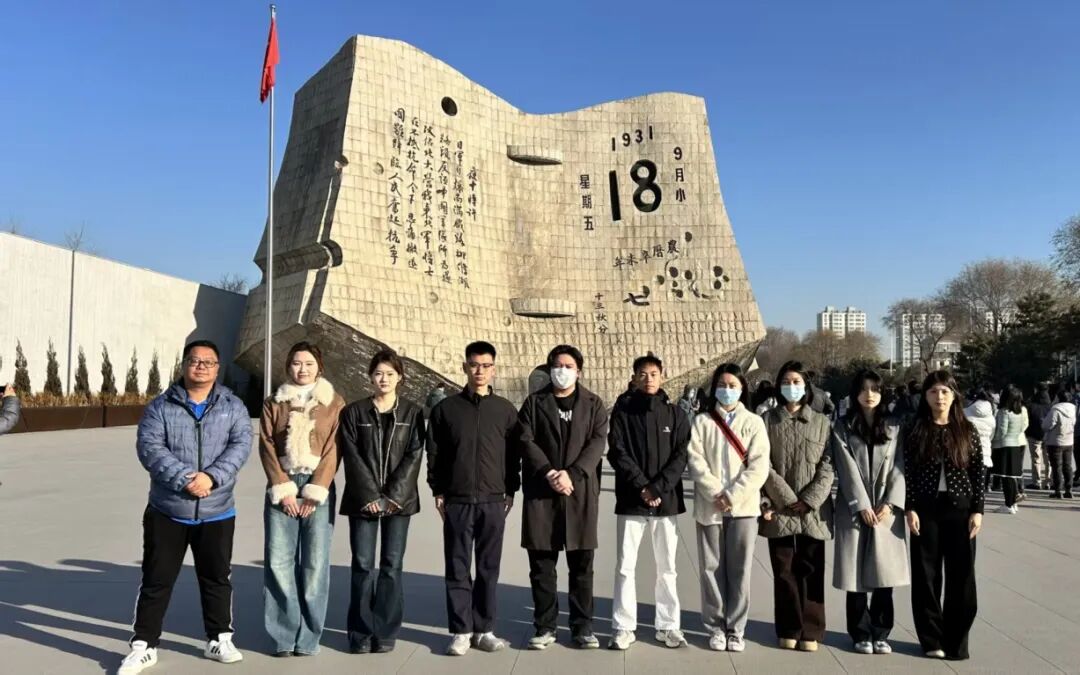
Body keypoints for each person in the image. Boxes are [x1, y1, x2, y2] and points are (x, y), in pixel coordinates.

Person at [120, 340, 253, 675]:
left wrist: (212, 477)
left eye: (208, 362)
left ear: (217, 368)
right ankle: (144, 645)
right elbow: (150, 447)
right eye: (195, 360)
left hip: (217, 509)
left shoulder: (233, 406)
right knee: (157, 578)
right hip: (168, 509)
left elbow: (240, 445)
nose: (201, 366)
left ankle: (219, 638)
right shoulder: (161, 406)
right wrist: (185, 479)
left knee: (216, 578)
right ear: (184, 365)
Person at [425, 341, 520, 656]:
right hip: (458, 499)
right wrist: (438, 490)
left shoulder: (505, 410)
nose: (480, 371)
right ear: (464, 367)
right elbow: (434, 453)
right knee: (457, 565)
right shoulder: (446, 410)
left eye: (486, 365)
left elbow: (513, 456)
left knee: (489, 567)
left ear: (494, 369)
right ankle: (461, 631)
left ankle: (484, 629)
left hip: (493, 500)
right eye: (474, 365)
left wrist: (511, 489)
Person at [518, 345, 609, 650]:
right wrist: (549, 472)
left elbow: (597, 444)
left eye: (569, 366)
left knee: (582, 566)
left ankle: (583, 627)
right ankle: (545, 626)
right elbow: (525, 440)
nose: (563, 371)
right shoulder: (534, 403)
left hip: (579, 492)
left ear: (578, 371)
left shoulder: (594, 404)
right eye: (558, 365)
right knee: (542, 566)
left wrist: (572, 474)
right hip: (542, 493)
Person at [260, 342, 346, 657]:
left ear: (319, 366)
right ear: (288, 366)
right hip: (282, 484)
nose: (302, 369)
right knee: (279, 562)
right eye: (297, 363)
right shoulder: (275, 401)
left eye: (309, 363)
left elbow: (334, 449)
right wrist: (283, 488)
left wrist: (316, 490)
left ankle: (309, 638)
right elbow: (266, 444)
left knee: (314, 564)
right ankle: (283, 636)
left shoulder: (334, 402)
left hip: (317, 485)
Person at [338, 349, 426, 653]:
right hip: (363, 501)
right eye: (378, 373)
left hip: (399, 502)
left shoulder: (413, 413)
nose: (384, 379)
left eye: (390, 373)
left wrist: (392, 496)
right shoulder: (354, 412)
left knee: (391, 565)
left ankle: (385, 631)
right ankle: (360, 633)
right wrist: (371, 496)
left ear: (400, 377)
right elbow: (351, 456)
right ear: (370, 377)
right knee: (362, 565)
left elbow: (414, 455)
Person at [607, 355, 691, 651]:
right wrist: (642, 486)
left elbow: (681, 454)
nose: (648, 379)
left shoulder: (676, 414)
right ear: (634, 377)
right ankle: (623, 626)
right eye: (642, 374)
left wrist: (658, 487)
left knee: (667, 567)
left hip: (665, 501)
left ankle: (668, 626)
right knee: (625, 566)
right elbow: (617, 451)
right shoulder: (623, 412)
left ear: (662, 376)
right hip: (632, 500)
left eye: (653, 373)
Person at [686, 363, 769, 653]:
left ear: (742, 388)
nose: (727, 390)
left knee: (740, 569)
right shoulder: (702, 421)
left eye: (733, 385)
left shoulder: (754, 422)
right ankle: (715, 626)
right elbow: (695, 461)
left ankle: (736, 628)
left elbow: (759, 466)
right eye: (722, 385)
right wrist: (715, 492)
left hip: (743, 508)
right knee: (711, 568)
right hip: (709, 506)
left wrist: (732, 495)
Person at [904, 370, 984, 661]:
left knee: (962, 576)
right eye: (933, 392)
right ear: (925, 397)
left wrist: (978, 510)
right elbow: (908, 472)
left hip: (960, 511)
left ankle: (956, 640)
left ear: (954, 396)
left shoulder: (967, 430)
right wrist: (910, 507)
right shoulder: (915, 430)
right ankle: (931, 638)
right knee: (926, 576)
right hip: (926, 510)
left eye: (945, 392)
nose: (939, 397)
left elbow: (978, 472)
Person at [831, 370, 909, 656]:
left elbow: (900, 465)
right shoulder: (842, 426)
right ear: (855, 394)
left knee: (884, 573)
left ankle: (882, 631)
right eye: (863, 389)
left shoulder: (895, 426)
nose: (869, 395)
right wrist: (861, 504)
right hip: (855, 508)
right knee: (855, 576)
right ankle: (860, 632)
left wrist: (890, 503)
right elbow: (845, 467)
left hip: (886, 509)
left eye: (875, 389)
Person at [760, 360, 834, 652]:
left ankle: (811, 630)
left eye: (796, 382)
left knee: (812, 569)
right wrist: (786, 498)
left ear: (806, 387)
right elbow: (762, 463)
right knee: (784, 570)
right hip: (780, 507)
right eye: (786, 382)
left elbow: (828, 465)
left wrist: (809, 499)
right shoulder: (767, 420)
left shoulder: (822, 422)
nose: (791, 387)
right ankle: (788, 627)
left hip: (813, 509)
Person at [991, 385, 1028, 514]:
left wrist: (993, 440)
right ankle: (1012, 503)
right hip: (1016, 444)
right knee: (1012, 476)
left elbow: (1002, 431)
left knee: (1006, 477)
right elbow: (1023, 427)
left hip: (1004, 446)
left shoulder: (1004, 412)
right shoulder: (1021, 411)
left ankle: (1008, 504)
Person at [1042, 389, 1075, 499]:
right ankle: (1069, 489)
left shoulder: (1055, 410)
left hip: (1055, 441)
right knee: (1067, 466)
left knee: (1057, 467)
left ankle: (1058, 490)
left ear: (1058, 398)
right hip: (1069, 440)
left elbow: (1047, 425)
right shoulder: (1073, 408)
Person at [963, 389, 996, 490]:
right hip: (984, 451)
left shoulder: (965, 412)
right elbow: (991, 436)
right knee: (979, 485)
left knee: (967, 484)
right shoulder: (991, 418)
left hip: (967, 450)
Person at [1025, 385, 1052, 490]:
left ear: (1036, 390)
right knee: (1048, 459)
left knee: (1036, 459)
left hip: (1034, 435)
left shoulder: (1031, 405)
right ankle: (1048, 481)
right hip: (1048, 435)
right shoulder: (1051, 405)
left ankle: (1037, 482)